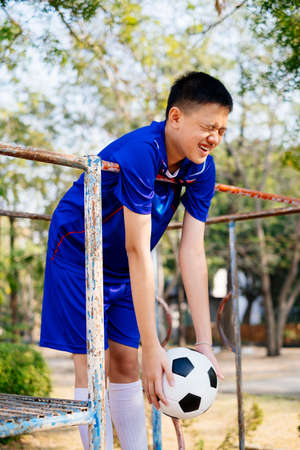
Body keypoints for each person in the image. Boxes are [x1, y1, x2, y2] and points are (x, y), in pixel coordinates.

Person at [40, 71, 233, 449]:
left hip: (127, 265)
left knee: (126, 364)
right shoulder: (141, 152)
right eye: (208, 126)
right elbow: (136, 248)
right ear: (175, 117)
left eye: (222, 130)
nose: (214, 138)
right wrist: (153, 346)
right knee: (93, 366)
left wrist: (205, 343)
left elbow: (192, 251)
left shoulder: (202, 169)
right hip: (78, 256)